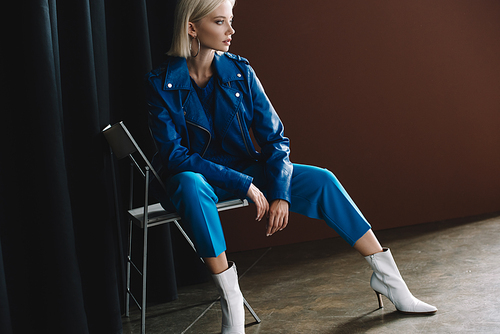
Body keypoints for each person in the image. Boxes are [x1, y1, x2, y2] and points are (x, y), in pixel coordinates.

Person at [145, 0, 437, 332]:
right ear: (192, 28)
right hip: (199, 178)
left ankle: (391, 281)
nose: (231, 30)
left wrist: (280, 193)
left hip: (246, 170)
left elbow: (275, 139)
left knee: (322, 180)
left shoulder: (240, 72)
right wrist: (243, 185)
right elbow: (174, 156)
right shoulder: (160, 83)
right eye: (220, 22)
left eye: (231, 20)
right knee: (189, 184)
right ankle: (232, 305)